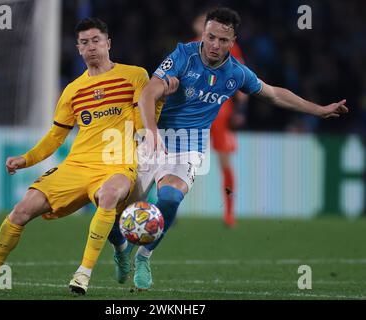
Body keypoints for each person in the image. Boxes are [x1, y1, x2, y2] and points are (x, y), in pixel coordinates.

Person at [110, 7, 348, 291]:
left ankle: (144, 256)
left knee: (171, 198)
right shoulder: (182, 57)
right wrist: (150, 132)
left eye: (223, 40)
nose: (215, 45)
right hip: (155, 136)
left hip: (189, 144)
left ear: (232, 41)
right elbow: (149, 91)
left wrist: (318, 110)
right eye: (211, 37)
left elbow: (273, 93)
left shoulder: (235, 72)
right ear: (203, 34)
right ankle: (120, 248)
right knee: (114, 207)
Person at [0, 17, 176, 295]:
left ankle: (83, 273)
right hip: (76, 166)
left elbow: (140, 125)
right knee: (20, 211)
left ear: (108, 43)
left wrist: (158, 101)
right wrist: (26, 159)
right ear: (78, 49)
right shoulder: (72, 91)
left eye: (96, 41)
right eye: (84, 43)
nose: (91, 47)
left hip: (117, 164)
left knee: (110, 195)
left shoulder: (134, 75)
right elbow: (55, 137)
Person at [192, 10, 249, 227]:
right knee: (175, 159)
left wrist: (241, 109)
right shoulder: (188, 48)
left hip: (219, 110)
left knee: (224, 161)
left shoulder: (230, 48)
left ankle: (229, 213)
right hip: (192, 109)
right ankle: (169, 209)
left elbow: (241, 75)